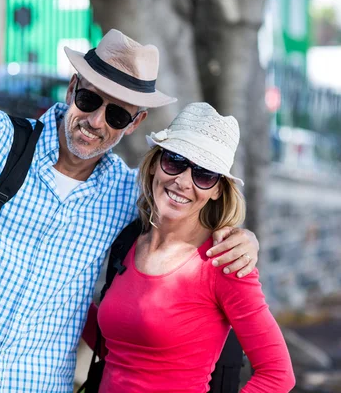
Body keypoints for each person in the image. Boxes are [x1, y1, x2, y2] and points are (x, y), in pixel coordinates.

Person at [0, 29, 260, 392]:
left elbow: (186, 208)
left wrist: (244, 238)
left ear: (135, 123)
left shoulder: (127, 195)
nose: (95, 122)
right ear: (72, 88)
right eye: (89, 100)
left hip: (38, 384)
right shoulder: (1, 139)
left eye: (116, 115)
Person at [83, 102, 295, 393]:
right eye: (174, 161)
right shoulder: (129, 240)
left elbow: (278, 375)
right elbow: (122, 350)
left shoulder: (225, 262)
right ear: (156, 163)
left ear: (218, 189)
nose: (183, 181)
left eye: (204, 174)